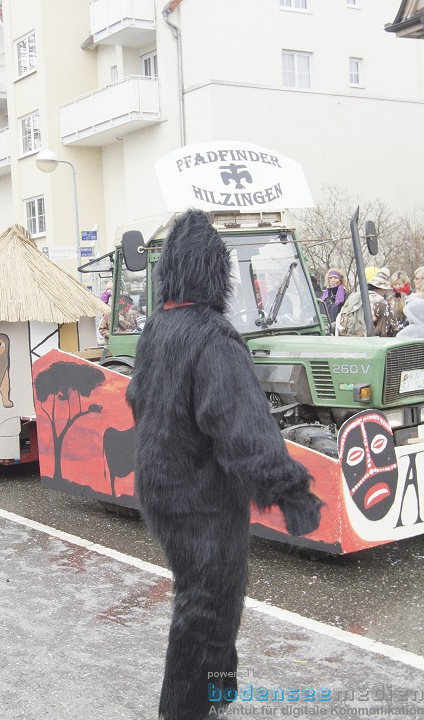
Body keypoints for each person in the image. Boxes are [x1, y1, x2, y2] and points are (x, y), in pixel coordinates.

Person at [126, 210, 323, 720]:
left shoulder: (157, 328)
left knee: (207, 595)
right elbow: (240, 422)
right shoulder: (212, 335)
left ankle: (212, 696)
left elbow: (137, 398)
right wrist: (289, 489)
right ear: (217, 272)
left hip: (162, 487)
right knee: (209, 604)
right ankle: (188, 709)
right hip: (201, 498)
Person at [336, 267, 395, 337]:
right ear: (382, 289)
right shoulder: (380, 302)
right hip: (368, 341)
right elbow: (387, 328)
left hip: (345, 338)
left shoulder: (353, 297)